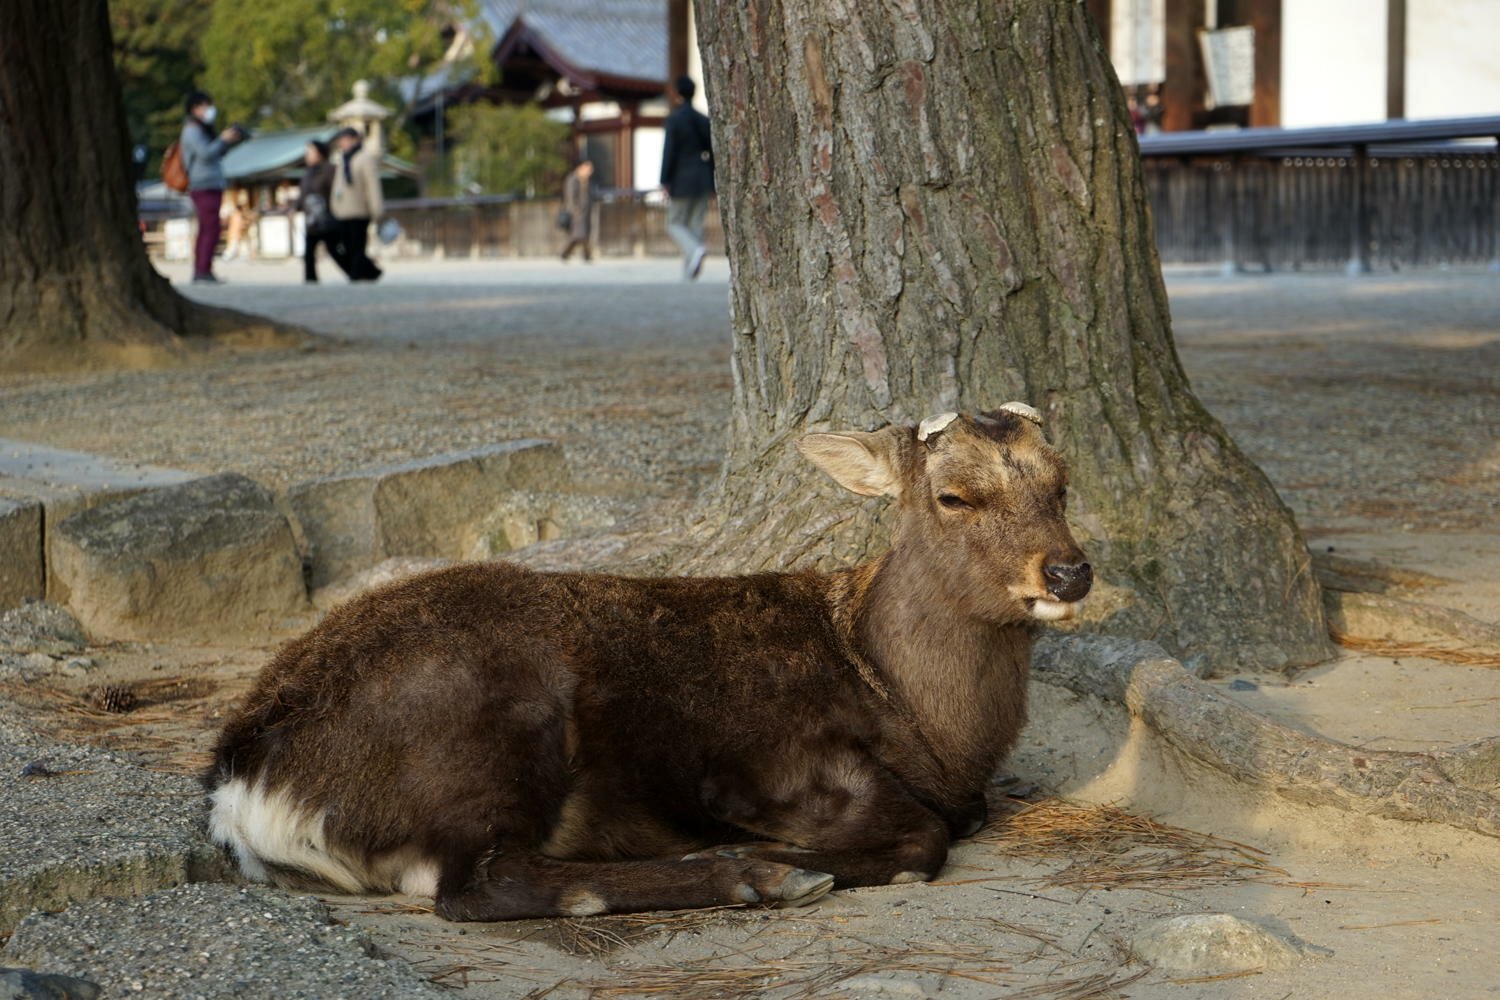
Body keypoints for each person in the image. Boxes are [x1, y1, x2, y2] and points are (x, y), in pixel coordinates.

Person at [179, 90, 244, 283]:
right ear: (195, 108)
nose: (209, 110)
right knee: (209, 228)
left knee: (210, 228)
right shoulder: (192, 130)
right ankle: (202, 270)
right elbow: (206, 154)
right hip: (203, 184)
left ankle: (204, 269)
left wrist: (226, 142)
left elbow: (215, 153)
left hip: (210, 183)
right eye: (205, 106)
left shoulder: (201, 129)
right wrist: (223, 139)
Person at [660, 75, 714, 280]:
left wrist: (664, 180)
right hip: (702, 175)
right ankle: (690, 272)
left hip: (681, 178)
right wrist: (712, 177)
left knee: (674, 223)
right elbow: (711, 151)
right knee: (694, 224)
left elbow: (669, 152)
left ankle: (695, 252)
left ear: (676, 93)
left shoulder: (674, 120)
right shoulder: (702, 119)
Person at [329, 127, 384, 282]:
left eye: (345, 139)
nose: (342, 143)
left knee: (357, 246)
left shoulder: (365, 158)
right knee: (346, 246)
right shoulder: (343, 160)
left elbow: (372, 186)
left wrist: (377, 209)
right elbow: (337, 187)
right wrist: (334, 206)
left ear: (355, 140)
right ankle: (372, 272)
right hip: (343, 211)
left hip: (360, 210)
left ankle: (356, 276)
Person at [298, 140, 340, 283]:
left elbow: (335, 191)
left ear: (320, 153)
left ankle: (360, 272)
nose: (307, 155)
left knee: (334, 249)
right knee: (309, 250)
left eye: (310, 152)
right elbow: (303, 194)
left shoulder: (330, 169)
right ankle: (310, 278)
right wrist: (296, 207)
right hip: (311, 217)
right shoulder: (307, 172)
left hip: (327, 215)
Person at [559, 159, 595, 262]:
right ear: (580, 168)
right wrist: (575, 209)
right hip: (576, 213)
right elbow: (571, 196)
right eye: (588, 169)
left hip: (585, 212)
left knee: (580, 235)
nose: (589, 172)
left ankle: (567, 254)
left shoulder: (585, 181)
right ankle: (586, 254)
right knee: (580, 235)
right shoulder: (573, 179)